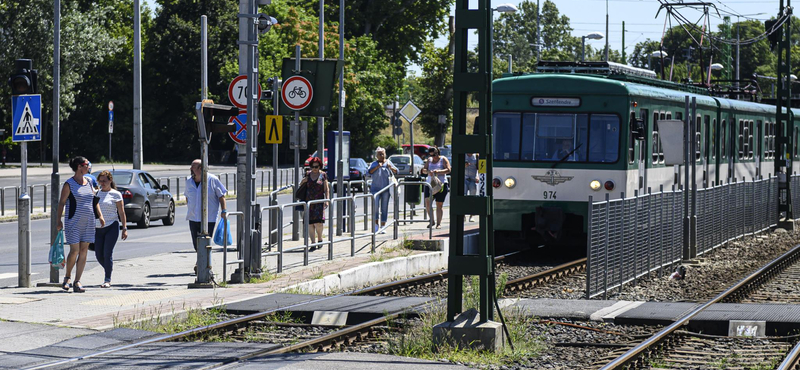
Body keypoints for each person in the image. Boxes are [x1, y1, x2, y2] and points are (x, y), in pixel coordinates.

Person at [57, 156, 105, 293]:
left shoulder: (89, 182)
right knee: (74, 250)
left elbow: (94, 201)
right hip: (73, 221)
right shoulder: (69, 184)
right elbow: (61, 203)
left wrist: (100, 216)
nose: (89, 167)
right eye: (87, 164)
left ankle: (77, 281)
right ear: (79, 166)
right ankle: (67, 277)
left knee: (84, 251)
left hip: (88, 222)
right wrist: (58, 220)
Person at [94, 170, 127, 288]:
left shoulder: (116, 194)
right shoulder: (97, 194)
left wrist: (124, 228)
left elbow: (121, 212)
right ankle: (109, 268)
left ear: (110, 181)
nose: (102, 183)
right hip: (98, 227)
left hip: (112, 226)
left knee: (107, 253)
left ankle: (107, 279)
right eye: (100, 181)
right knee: (98, 254)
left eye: (104, 181)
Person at [185, 159, 227, 252]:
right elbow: (187, 197)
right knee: (196, 243)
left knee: (205, 242)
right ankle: (201, 261)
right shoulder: (188, 181)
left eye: (193, 166)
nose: (190, 168)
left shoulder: (213, 179)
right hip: (193, 217)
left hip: (209, 218)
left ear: (201, 168)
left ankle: (202, 263)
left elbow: (221, 196)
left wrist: (224, 210)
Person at [300, 157, 329, 249]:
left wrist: (327, 200)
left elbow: (326, 189)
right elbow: (301, 186)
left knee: (318, 223)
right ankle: (313, 242)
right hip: (308, 202)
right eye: (312, 166)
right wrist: (303, 181)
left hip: (319, 202)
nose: (314, 168)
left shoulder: (323, 175)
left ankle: (320, 239)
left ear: (320, 166)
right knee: (310, 223)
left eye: (316, 166)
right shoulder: (308, 174)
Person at [368, 147, 398, 233]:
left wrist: (391, 168)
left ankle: (383, 225)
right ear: (376, 156)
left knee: (384, 208)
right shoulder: (374, 164)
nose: (381, 156)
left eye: (382, 154)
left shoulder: (388, 162)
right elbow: (369, 172)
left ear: (385, 154)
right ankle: (376, 225)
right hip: (375, 189)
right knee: (376, 207)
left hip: (386, 189)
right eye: (379, 154)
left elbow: (397, 171)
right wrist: (377, 167)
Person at [423, 147, 451, 229]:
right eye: (432, 155)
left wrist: (438, 171)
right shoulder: (429, 160)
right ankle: (432, 220)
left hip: (441, 184)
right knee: (427, 203)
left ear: (438, 153)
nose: (434, 157)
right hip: (430, 184)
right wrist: (428, 172)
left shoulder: (443, 159)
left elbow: (448, 169)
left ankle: (438, 223)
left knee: (439, 204)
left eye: (435, 154)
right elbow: (424, 169)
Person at [464, 153, 480, 222]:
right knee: (463, 196)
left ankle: (471, 215)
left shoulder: (476, 156)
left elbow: (479, 168)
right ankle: (463, 215)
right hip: (464, 178)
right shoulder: (463, 155)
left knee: (472, 197)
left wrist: (478, 176)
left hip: (473, 179)